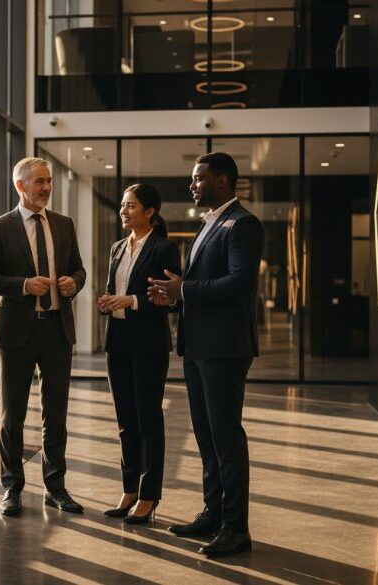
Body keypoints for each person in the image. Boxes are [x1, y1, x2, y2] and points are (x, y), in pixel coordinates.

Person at [148, 152, 264, 557]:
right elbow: (202, 285)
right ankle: (213, 513)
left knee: (225, 437)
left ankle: (236, 527)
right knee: (206, 435)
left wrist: (184, 289)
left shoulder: (243, 224)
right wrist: (174, 296)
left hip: (225, 348)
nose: (192, 185)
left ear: (222, 180)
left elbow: (239, 283)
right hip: (198, 346)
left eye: (199, 178)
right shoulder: (209, 223)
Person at [0, 157, 87, 517]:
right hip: (17, 331)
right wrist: (24, 285)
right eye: (39, 181)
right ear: (20, 186)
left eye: (49, 181)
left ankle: (56, 486)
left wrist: (73, 283)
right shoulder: (0, 226)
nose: (46, 188)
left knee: (56, 413)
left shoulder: (64, 224)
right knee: (13, 414)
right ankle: (12, 487)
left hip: (57, 327)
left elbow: (79, 269)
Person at [97, 184, 180, 525]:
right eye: (123, 205)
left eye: (131, 206)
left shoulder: (164, 248)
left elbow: (169, 300)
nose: (124, 211)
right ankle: (129, 489)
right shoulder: (118, 247)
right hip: (117, 342)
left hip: (148, 344)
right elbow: (112, 289)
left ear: (149, 212)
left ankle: (149, 495)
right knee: (125, 422)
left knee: (148, 420)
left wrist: (130, 301)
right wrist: (107, 301)